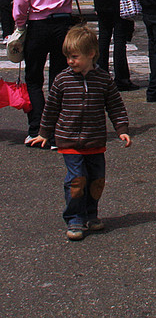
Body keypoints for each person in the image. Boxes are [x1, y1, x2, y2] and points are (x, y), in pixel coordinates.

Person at [29, 25, 130, 241]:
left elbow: (115, 106)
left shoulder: (103, 79)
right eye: (67, 57)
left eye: (74, 56)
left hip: (95, 140)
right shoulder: (62, 80)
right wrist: (44, 133)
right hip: (69, 140)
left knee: (96, 180)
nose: (70, 61)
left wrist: (121, 129)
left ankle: (91, 214)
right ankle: (75, 217)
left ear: (91, 54)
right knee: (77, 180)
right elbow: (51, 108)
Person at [13, 0, 80, 145]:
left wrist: (20, 25)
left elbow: (21, 1)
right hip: (62, 24)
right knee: (58, 79)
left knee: (34, 79)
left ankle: (37, 129)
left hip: (37, 25)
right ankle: (56, 131)